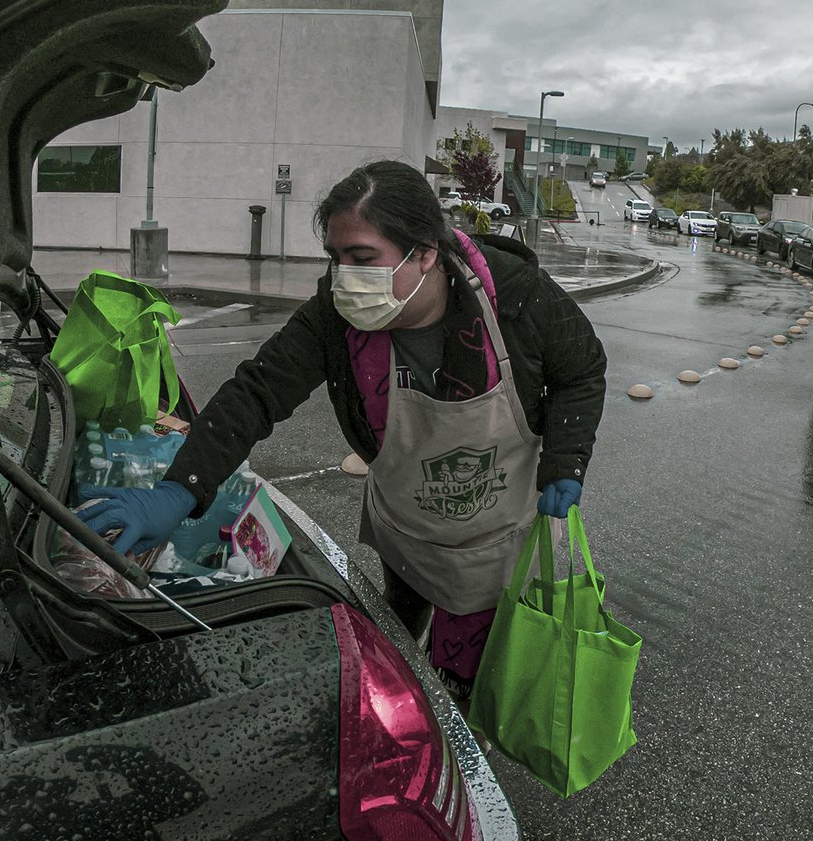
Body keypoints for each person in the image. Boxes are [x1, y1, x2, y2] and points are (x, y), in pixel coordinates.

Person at [78, 160, 607, 696]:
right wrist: (180, 486)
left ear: (425, 251)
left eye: (362, 258)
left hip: (492, 535)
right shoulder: (337, 316)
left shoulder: (516, 295)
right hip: (407, 521)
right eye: (335, 258)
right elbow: (259, 391)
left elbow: (582, 369)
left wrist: (565, 460)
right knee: (400, 634)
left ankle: (459, 738)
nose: (344, 276)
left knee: (467, 673)